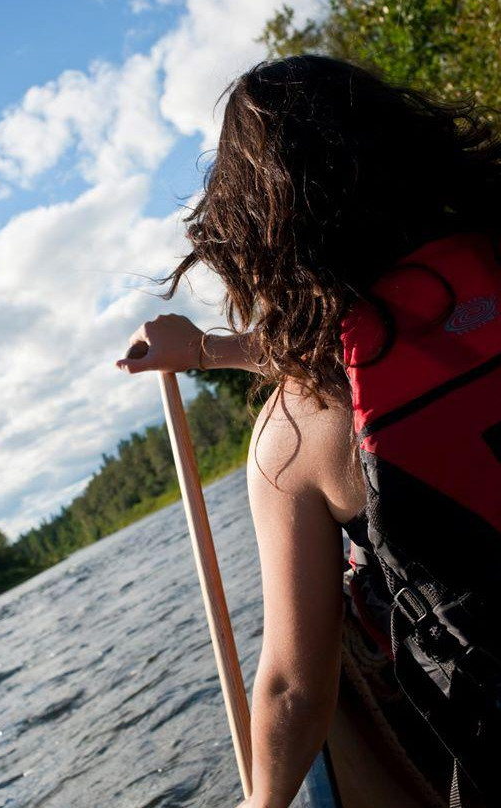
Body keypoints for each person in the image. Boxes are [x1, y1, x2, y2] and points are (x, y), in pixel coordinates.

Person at [115, 55, 501, 808]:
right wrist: (205, 350)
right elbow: (433, 325)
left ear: (258, 229)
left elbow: (294, 689)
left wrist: (262, 805)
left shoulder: (295, 432)